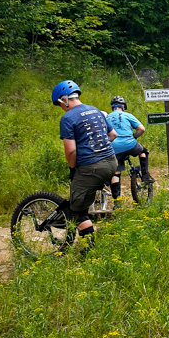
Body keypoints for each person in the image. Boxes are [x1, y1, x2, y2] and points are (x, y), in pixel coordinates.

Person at [53, 80, 118, 249]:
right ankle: (87, 241)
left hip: (92, 167)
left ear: (64, 100)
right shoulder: (96, 110)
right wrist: (98, 148)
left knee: (76, 211)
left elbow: (71, 151)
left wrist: (72, 169)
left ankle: (89, 251)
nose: (61, 108)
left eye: (59, 104)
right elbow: (113, 135)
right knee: (83, 201)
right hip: (111, 163)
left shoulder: (68, 118)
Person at [105, 96, 154, 201]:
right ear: (123, 106)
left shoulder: (107, 117)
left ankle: (117, 201)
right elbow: (141, 129)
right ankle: (145, 175)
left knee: (116, 173)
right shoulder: (127, 115)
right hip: (129, 144)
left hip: (113, 147)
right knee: (143, 151)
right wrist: (134, 137)